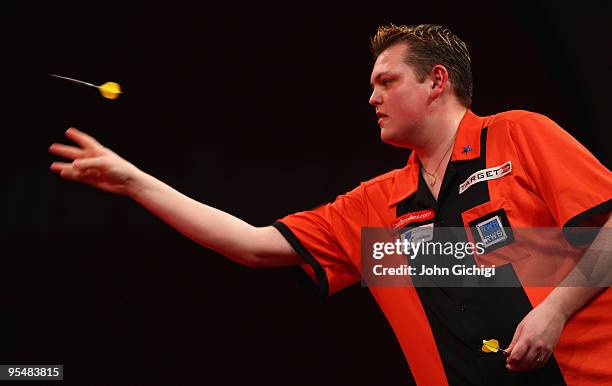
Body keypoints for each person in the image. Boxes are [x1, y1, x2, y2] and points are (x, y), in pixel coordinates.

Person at [49, 24, 611, 385]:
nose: (372, 98)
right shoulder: (377, 206)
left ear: (437, 81)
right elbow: (253, 245)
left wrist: (554, 310)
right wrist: (136, 183)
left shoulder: (519, 136)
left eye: (386, 82)